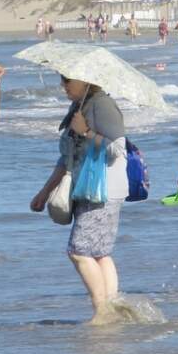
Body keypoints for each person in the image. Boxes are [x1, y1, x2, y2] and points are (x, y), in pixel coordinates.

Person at [29, 73, 130, 323]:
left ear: (85, 81)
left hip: (104, 189)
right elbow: (67, 157)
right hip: (86, 187)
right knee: (99, 253)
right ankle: (112, 307)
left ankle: (102, 312)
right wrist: (44, 191)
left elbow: (117, 149)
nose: (62, 85)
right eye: (62, 80)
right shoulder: (80, 104)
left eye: (66, 81)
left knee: (79, 251)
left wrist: (85, 131)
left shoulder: (103, 105)